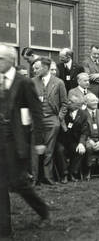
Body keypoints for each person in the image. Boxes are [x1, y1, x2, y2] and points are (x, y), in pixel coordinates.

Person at [0, 44, 49, 238]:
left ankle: (42, 210)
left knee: (18, 183)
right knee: (1, 184)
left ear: (11, 60)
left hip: (15, 141)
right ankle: (4, 228)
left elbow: (37, 113)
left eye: (1, 59)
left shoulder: (24, 83)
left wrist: (39, 141)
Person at [31, 57, 68, 185]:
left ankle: (48, 177)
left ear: (46, 68)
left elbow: (64, 103)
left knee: (49, 150)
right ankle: (34, 178)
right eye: (34, 68)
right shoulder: (31, 82)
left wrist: (59, 119)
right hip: (36, 121)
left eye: (37, 68)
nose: (34, 70)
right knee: (35, 149)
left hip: (52, 119)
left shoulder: (58, 83)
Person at [56, 94, 89, 184]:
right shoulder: (63, 111)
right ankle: (64, 175)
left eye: (71, 102)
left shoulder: (83, 115)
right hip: (61, 140)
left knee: (79, 150)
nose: (68, 102)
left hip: (73, 141)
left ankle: (72, 173)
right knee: (60, 150)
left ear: (77, 105)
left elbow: (84, 131)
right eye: (68, 100)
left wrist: (81, 143)